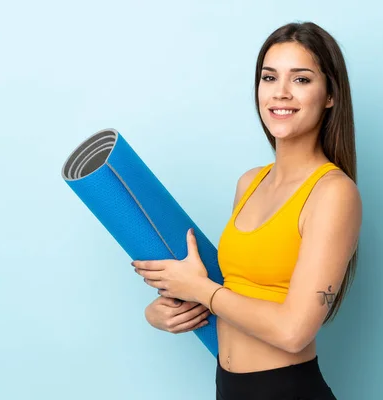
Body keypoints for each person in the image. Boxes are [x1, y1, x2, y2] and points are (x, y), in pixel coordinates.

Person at [132, 21, 362, 400]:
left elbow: (293, 331)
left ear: (330, 94)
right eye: (269, 77)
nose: (281, 93)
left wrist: (202, 290)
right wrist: (167, 309)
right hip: (229, 387)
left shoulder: (333, 193)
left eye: (301, 80)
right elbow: (240, 296)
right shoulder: (250, 182)